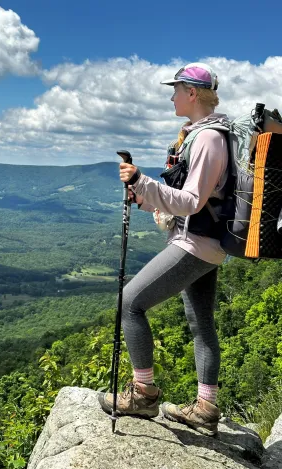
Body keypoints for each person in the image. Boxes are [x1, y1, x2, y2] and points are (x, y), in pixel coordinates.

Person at [98, 63, 230, 437]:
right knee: (202, 325)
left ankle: (143, 394)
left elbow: (190, 201)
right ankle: (205, 407)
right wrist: (144, 196)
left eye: (175, 90)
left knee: (129, 303)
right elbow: (196, 202)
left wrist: (141, 180)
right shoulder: (207, 135)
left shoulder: (207, 139)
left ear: (192, 92)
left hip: (194, 244)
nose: (171, 97)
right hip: (210, 244)